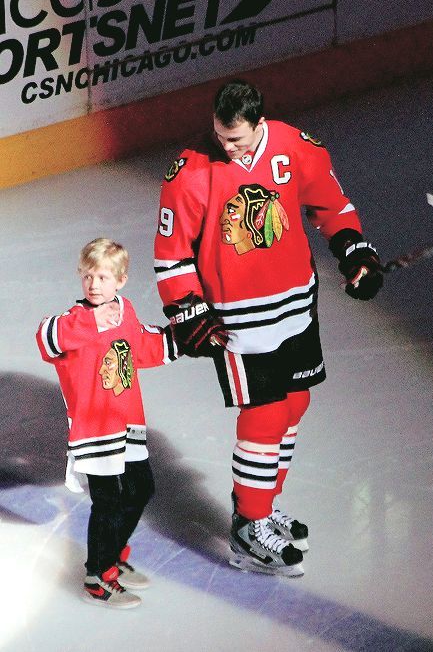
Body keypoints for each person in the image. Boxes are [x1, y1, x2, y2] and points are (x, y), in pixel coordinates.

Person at [154, 79, 383, 577]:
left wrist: (353, 251)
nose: (226, 146)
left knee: (295, 402)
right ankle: (249, 524)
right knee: (266, 412)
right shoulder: (191, 172)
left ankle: (260, 506)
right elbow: (171, 257)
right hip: (239, 319)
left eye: (235, 138)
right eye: (220, 136)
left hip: (296, 303)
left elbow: (331, 205)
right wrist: (189, 311)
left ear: (260, 124)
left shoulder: (294, 145)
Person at [36, 238, 180, 608]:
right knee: (109, 502)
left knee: (140, 488)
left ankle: (112, 555)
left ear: (121, 280)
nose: (94, 284)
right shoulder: (76, 319)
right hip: (95, 429)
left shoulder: (125, 311)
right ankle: (97, 577)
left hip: (127, 422)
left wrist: (183, 341)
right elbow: (47, 338)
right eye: (88, 276)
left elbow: (141, 347)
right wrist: (89, 321)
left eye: (102, 277)